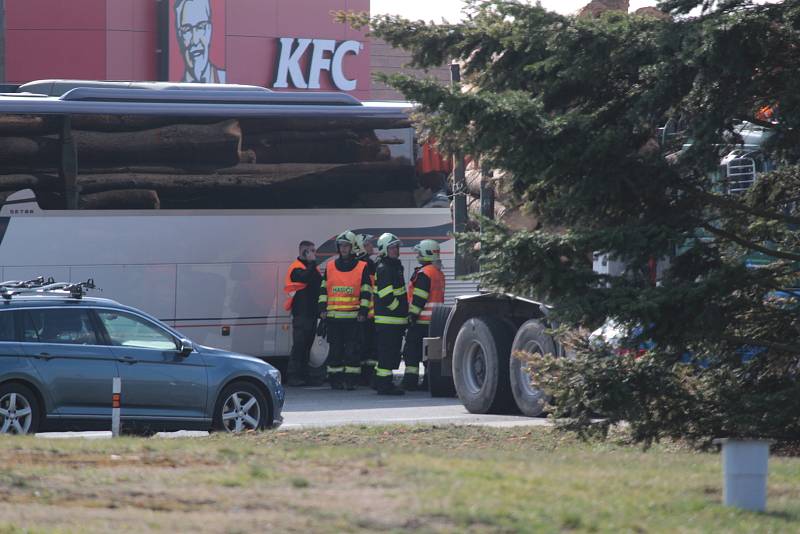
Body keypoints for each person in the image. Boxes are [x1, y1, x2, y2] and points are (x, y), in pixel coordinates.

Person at [318, 231, 371, 390]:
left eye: (346, 246)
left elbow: (366, 291)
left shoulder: (362, 267)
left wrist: (363, 311)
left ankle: (350, 380)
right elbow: (323, 290)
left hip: (353, 317)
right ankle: (335, 380)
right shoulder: (330, 266)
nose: (343, 249)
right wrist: (322, 309)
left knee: (352, 351)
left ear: (352, 247)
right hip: (334, 318)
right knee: (335, 351)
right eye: (341, 246)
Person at [404, 240, 446, 390]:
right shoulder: (438, 273)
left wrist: (411, 317)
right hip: (435, 323)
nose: (417, 255)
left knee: (411, 353)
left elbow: (419, 298)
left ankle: (410, 383)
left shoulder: (424, 273)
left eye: (419, 252)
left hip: (420, 322)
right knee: (432, 356)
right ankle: (429, 383)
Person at [283, 240, 322, 387]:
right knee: (299, 346)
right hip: (301, 314)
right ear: (304, 252)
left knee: (307, 346)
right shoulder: (296, 268)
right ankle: (293, 376)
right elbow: (304, 277)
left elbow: (319, 282)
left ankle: (305, 375)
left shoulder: (312, 268)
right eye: (311, 251)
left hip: (311, 314)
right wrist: (312, 263)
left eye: (314, 250)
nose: (314, 253)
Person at [373, 233, 408, 395]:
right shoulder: (384, 268)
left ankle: (380, 381)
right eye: (392, 247)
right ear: (384, 250)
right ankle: (384, 385)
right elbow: (387, 297)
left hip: (394, 321)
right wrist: (400, 311)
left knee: (390, 354)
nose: (396, 250)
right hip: (389, 321)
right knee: (387, 355)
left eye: (396, 247)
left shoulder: (393, 266)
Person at [174, 0, 227, 83]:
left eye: (201, 27)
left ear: (210, 30)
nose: (195, 41)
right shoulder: (172, 91)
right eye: (187, 29)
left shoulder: (225, 82)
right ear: (179, 36)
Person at [354, 233, 378, 385]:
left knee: (362, 346)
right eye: (368, 244)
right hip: (368, 313)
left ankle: (362, 376)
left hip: (362, 312)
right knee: (369, 347)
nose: (372, 246)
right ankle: (368, 376)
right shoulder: (367, 264)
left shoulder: (357, 263)